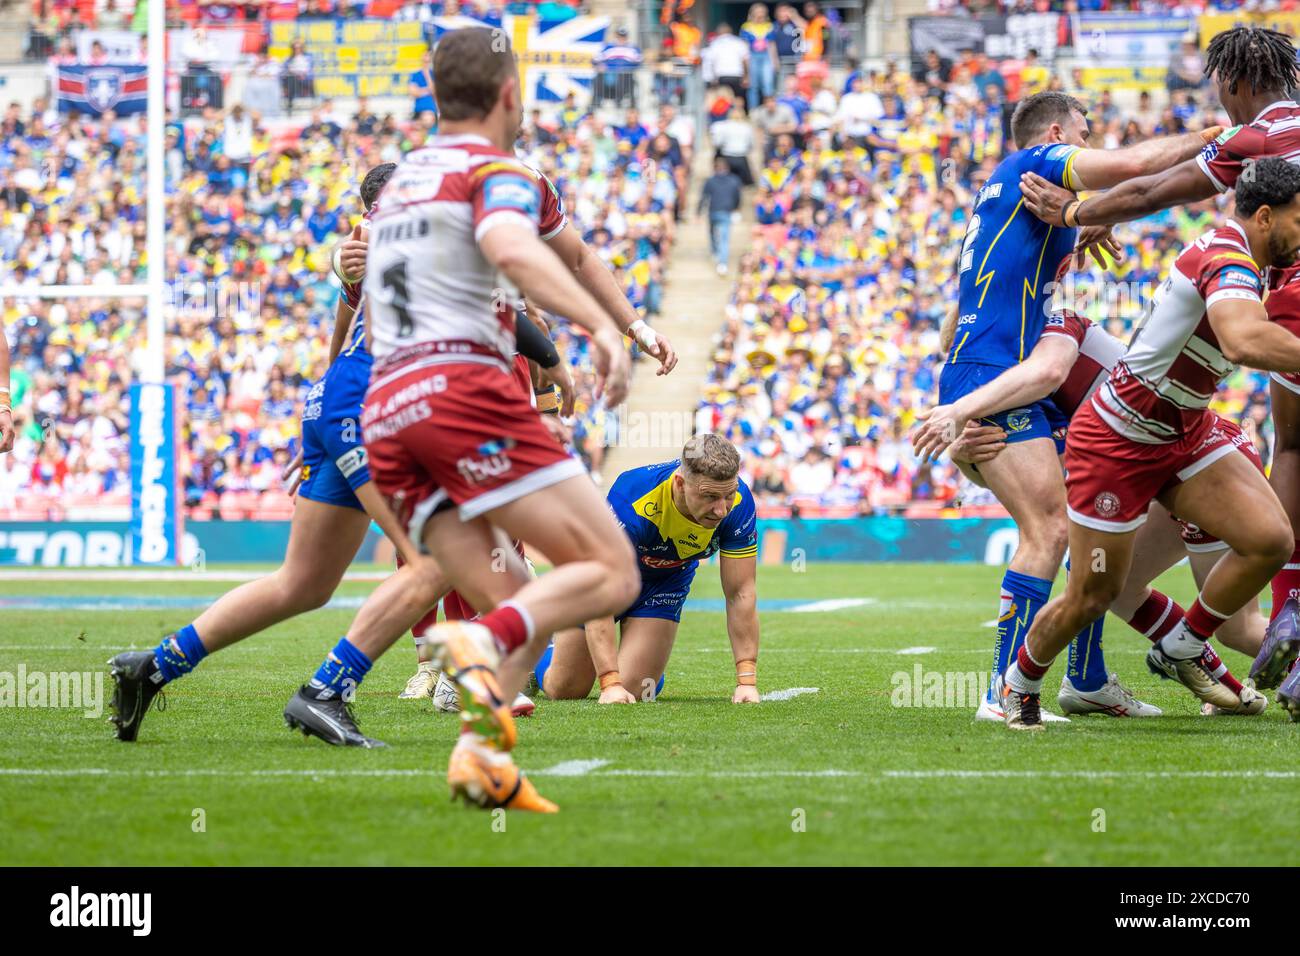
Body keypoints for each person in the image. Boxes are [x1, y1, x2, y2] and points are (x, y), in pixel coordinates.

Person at [297, 27, 643, 812]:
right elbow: (515, 248)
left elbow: (364, 297)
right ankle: (473, 651)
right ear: (510, 96)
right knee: (609, 571)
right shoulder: (498, 169)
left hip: (384, 409)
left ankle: (480, 758)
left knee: (502, 584)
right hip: (462, 394)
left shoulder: (405, 179)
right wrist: (595, 330)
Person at [106, 165, 431, 743]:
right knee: (432, 558)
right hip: (360, 409)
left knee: (303, 584)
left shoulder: (412, 229)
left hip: (343, 404)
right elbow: (358, 256)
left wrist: (325, 404)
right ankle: (328, 691)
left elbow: (351, 293)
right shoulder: (434, 223)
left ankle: (150, 667)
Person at [936, 90, 1227, 722]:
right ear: (1059, 133)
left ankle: (1088, 677)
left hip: (997, 370)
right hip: (1004, 373)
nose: (1089, 145)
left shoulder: (1005, 205)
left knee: (1106, 488)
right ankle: (1002, 694)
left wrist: (1090, 223)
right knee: (1049, 530)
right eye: (1085, 135)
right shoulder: (1032, 163)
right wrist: (1212, 135)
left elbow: (951, 322)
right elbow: (1131, 166)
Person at [995, 158, 1300, 730]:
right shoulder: (1229, 256)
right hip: (1118, 438)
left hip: (1185, 429)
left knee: (1270, 539)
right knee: (1093, 593)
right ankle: (1019, 684)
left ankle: (1183, 644)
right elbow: (1240, 339)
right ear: (1265, 216)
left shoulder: (1244, 256)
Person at [916, 310, 1266, 717]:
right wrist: (964, 458)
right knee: (1116, 582)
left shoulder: (1055, 331)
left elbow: (1051, 388)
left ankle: (1039, 686)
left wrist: (959, 415)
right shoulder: (1024, 388)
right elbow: (1033, 480)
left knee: (1238, 628)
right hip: (1169, 470)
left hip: (1199, 462)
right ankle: (1091, 682)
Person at [534, 434, 760, 705]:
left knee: (638, 690)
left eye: (728, 495)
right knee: (565, 690)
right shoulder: (633, 499)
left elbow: (740, 592)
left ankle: (642, 663)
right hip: (602, 581)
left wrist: (746, 681)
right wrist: (609, 682)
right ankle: (541, 649)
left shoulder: (739, 503)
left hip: (664, 583)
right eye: (709, 496)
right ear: (680, 483)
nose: (722, 509)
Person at [699, 156, 743, 276]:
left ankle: (718, 257)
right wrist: (737, 208)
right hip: (723, 212)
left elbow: (703, 197)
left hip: (716, 211)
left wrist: (699, 212)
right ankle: (721, 262)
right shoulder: (734, 180)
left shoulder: (711, 180)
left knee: (716, 235)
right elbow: (738, 197)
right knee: (723, 238)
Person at [702, 23, 750, 114]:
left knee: (723, 97)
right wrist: (746, 76)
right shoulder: (739, 42)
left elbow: (711, 62)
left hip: (722, 75)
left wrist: (713, 78)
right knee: (738, 98)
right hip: (737, 75)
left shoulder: (715, 43)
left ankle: (724, 115)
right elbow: (745, 60)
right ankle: (739, 115)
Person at [740, 3, 777, 115]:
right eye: (758, 13)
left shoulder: (769, 26)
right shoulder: (746, 27)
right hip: (752, 56)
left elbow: (771, 45)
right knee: (753, 86)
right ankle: (754, 111)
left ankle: (768, 110)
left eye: (762, 13)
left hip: (766, 56)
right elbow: (744, 47)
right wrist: (745, 65)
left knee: (768, 85)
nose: (760, 15)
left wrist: (775, 61)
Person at [711, 105, 755, 187]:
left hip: (727, 158)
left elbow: (717, 143)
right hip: (742, 158)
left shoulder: (724, 126)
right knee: (746, 185)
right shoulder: (747, 127)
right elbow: (751, 145)